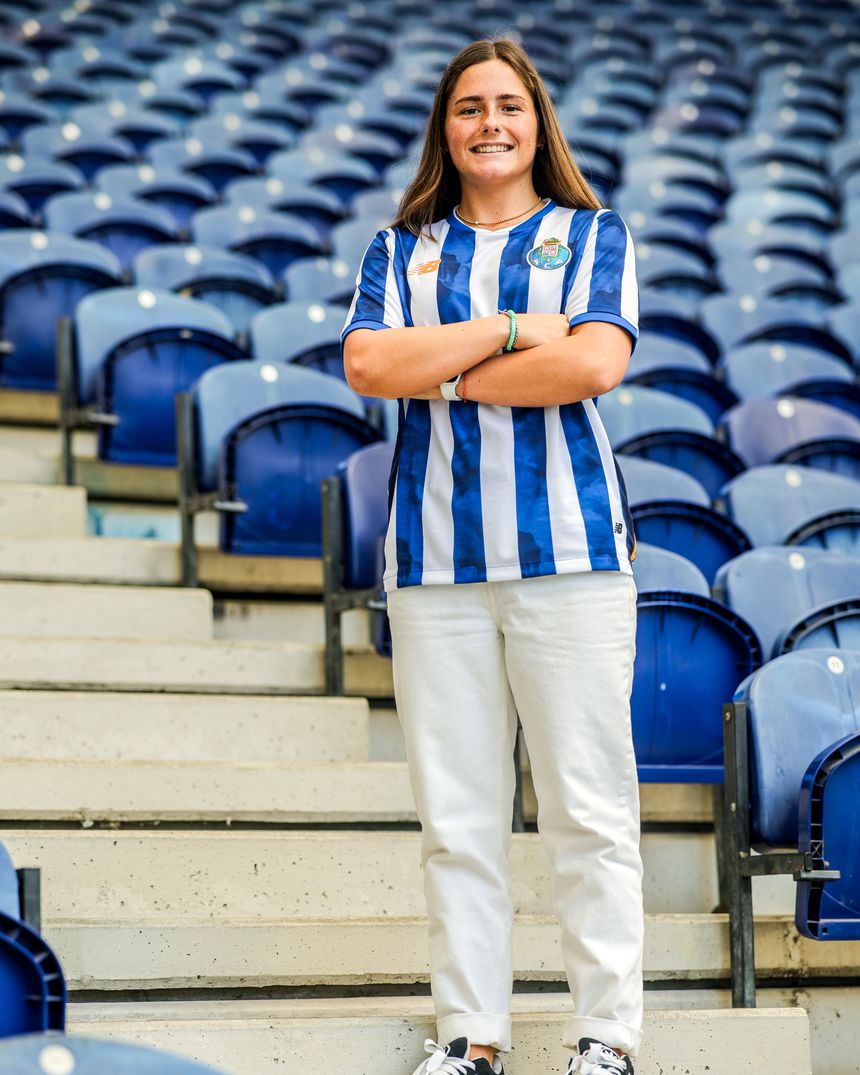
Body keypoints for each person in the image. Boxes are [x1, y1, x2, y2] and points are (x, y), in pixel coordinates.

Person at [341, 37, 643, 1075]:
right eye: (467, 108)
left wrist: (447, 369)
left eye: (507, 106)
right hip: (432, 568)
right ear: (445, 128)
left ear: (537, 123)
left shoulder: (593, 233)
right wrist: (510, 328)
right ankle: (469, 1037)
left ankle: (605, 1035)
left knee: (586, 810)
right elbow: (370, 361)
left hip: (570, 558)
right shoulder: (399, 250)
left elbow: (591, 361)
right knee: (456, 818)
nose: (488, 124)